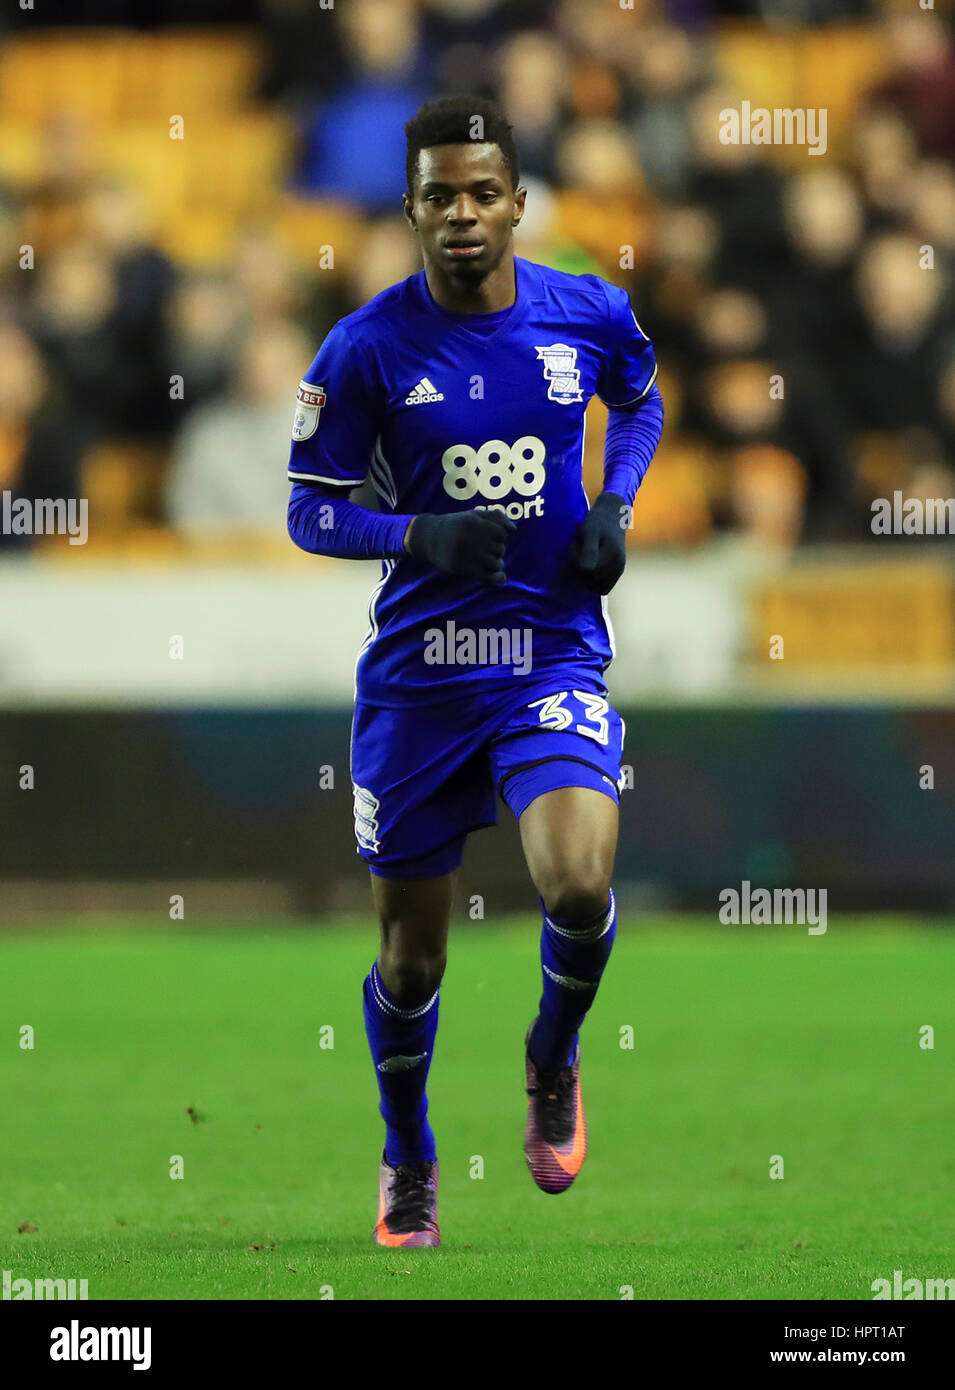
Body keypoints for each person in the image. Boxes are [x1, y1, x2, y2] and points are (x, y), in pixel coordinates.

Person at [286, 96, 664, 1247]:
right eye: (439, 195)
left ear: (517, 203)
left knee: (581, 883)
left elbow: (638, 400)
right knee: (410, 957)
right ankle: (409, 1153)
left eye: (481, 192)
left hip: (545, 651)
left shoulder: (587, 312)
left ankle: (551, 1055)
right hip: (421, 678)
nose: (462, 213)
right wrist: (418, 536)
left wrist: (612, 506)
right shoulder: (363, 348)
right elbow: (309, 510)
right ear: (411, 207)